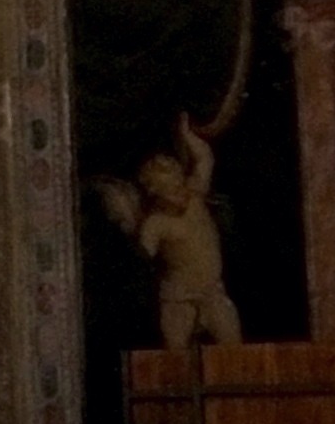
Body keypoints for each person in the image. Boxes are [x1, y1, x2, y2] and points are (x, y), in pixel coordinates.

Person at [96, 116, 241, 347]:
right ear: (155, 191)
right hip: (179, 298)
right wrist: (127, 217)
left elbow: (204, 158)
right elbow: (143, 252)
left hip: (212, 291)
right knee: (175, 361)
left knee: (233, 350)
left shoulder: (194, 194)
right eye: (169, 189)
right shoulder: (155, 223)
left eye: (177, 183)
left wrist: (187, 136)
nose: (177, 193)